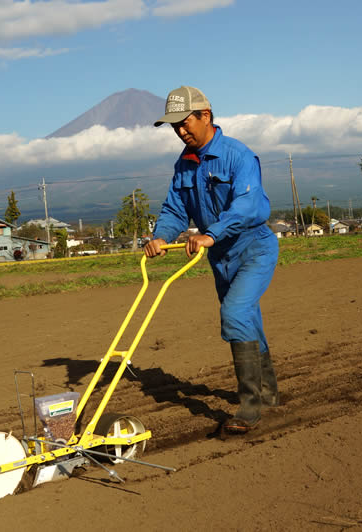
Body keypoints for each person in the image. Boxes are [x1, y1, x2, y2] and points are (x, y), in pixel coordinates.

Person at [144, 86, 279, 434]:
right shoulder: (184, 164)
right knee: (246, 318)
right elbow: (175, 208)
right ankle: (268, 393)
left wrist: (210, 234)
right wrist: (162, 235)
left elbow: (249, 207)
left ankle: (249, 406)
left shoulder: (238, 156)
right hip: (220, 258)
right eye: (174, 127)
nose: (180, 131)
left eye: (185, 123)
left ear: (205, 116)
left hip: (254, 248)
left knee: (235, 313)